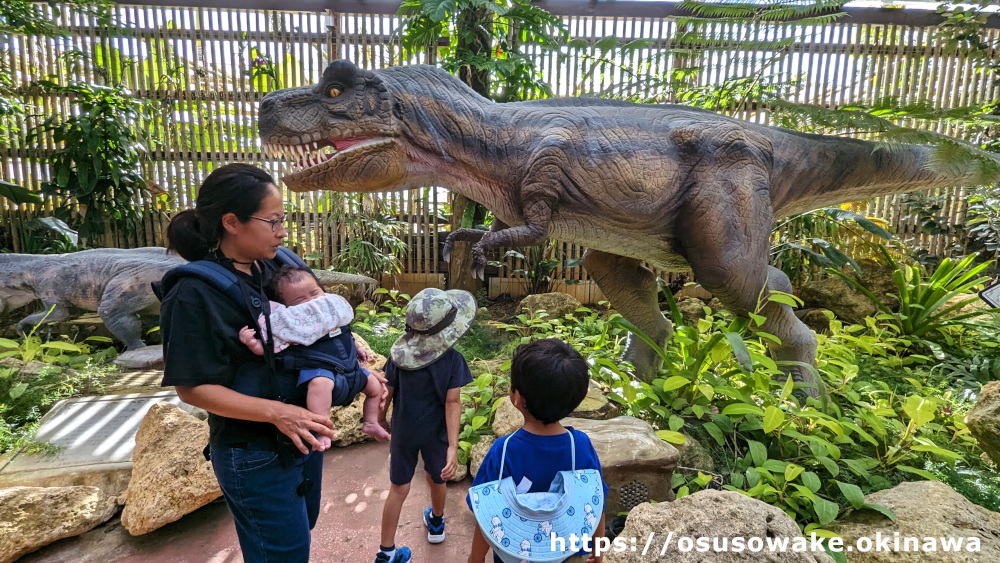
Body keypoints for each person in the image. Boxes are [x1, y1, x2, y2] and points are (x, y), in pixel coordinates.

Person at [158, 163, 374, 562]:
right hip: (254, 453)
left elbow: (321, 320)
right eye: (273, 221)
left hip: (300, 438)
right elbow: (190, 387)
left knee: (300, 531)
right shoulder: (192, 293)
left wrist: (351, 353)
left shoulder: (280, 264)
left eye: (284, 220)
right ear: (231, 222)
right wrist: (278, 413)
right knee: (283, 554)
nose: (283, 230)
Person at [467, 339, 608, 563]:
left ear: (518, 398)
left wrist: (476, 557)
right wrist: (598, 551)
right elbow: (596, 500)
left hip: (513, 553)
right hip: (567, 552)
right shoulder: (579, 445)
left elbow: (488, 512)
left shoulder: (504, 450)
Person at [374, 287, 477, 563]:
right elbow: (452, 403)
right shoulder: (454, 360)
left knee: (398, 488)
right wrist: (453, 446)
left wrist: (380, 419)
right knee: (437, 476)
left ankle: (385, 552)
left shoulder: (399, 358)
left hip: (404, 432)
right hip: (437, 434)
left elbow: (387, 393)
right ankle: (436, 521)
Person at [238, 264, 390, 448]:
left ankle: (371, 422)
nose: (312, 301)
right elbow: (273, 348)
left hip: (352, 370)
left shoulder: (331, 311)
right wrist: (253, 344)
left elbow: (343, 333)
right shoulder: (295, 324)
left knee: (376, 387)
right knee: (319, 385)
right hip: (321, 371)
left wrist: (356, 347)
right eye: (300, 299)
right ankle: (322, 429)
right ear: (286, 306)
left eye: (315, 292)